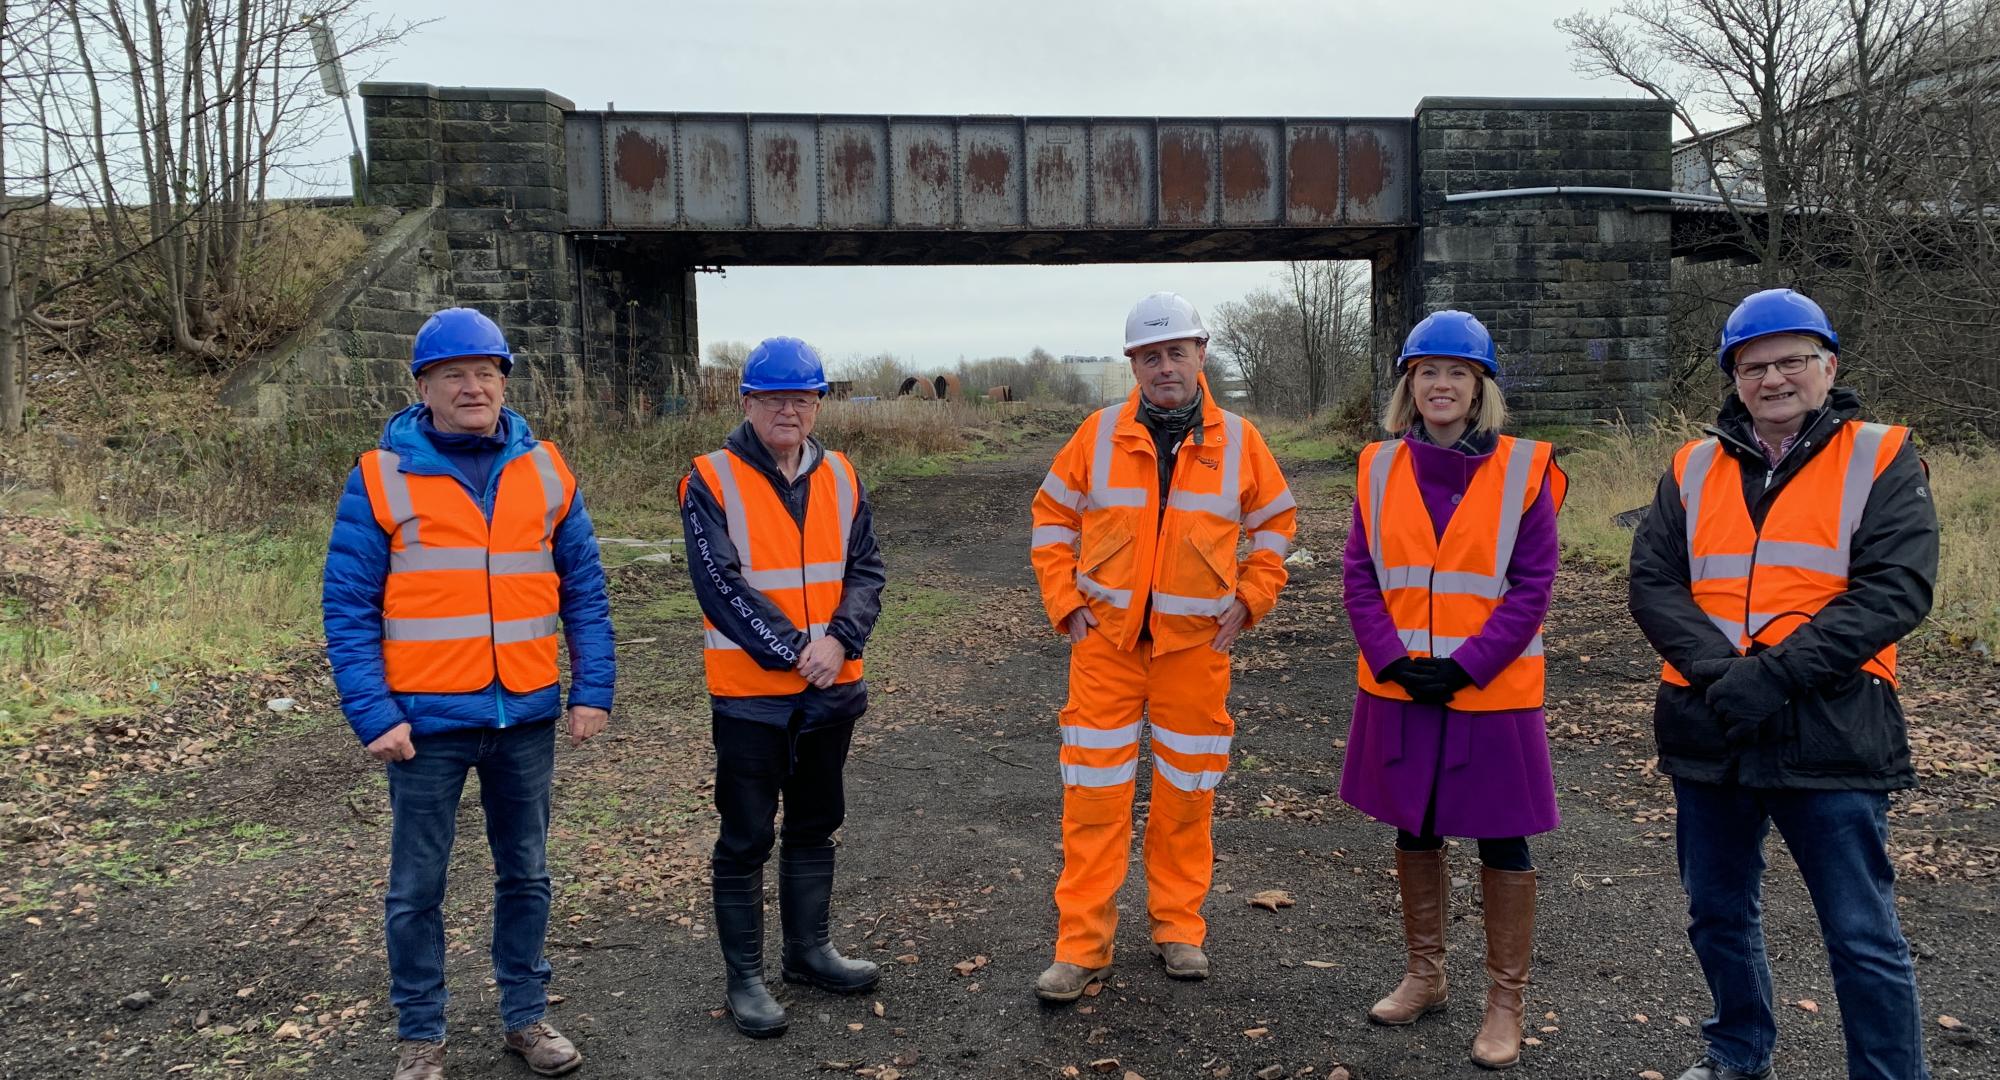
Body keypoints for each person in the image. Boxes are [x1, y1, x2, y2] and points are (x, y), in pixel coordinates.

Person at [1629, 289, 1938, 1080]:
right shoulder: (1692, 466)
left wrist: (1771, 677)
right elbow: (1655, 583)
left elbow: (1895, 590)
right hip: (1712, 727)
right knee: (1717, 915)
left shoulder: (1880, 454)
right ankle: (1738, 1052)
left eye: (1792, 360)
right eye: (1754, 365)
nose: (1773, 378)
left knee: (1861, 934)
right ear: (1734, 378)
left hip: (1831, 727)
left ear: (1827, 366)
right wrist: (1724, 677)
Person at [323, 307, 614, 1080]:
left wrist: (593, 690)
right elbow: (348, 605)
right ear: (423, 387)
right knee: (416, 887)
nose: (473, 387)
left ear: (504, 382)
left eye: (486, 372)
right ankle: (422, 1037)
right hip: (423, 726)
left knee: (527, 873)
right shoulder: (380, 476)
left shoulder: (546, 469)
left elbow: (584, 588)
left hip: (524, 713)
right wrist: (372, 713)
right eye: (454, 374)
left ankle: (525, 1017)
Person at [1028, 292, 1296, 1002]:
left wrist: (1252, 598)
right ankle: (1081, 947)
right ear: (1133, 366)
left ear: (1200, 354)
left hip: (1194, 652)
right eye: (1151, 356)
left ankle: (1179, 929)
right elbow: (1051, 518)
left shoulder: (1240, 441)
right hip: (1105, 651)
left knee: (1187, 797)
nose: (1165, 367)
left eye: (1177, 352)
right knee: (1093, 800)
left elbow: (1276, 525)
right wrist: (1065, 603)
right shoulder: (1097, 434)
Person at [1338, 310, 1564, 1070]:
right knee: (1415, 825)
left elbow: (1532, 586)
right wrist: (1393, 658)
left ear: (1480, 388)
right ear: (1410, 384)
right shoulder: (1377, 466)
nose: (1441, 385)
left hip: (1489, 691)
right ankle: (1425, 975)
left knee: (1501, 834)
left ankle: (1506, 1001)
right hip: (1401, 686)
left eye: (1457, 373)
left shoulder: (1526, 470)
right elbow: (1359, 573)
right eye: (1427, 372)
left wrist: (1467, 665)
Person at [678, 337, 887, 1039]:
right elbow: (720, 587)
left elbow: (867, 572)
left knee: (814, 824)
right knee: (744, 836)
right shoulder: (709, 478)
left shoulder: (844, 476)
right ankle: (746, 978)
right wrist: (800, 651)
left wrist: (840, 642)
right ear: (748, 402)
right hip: (751, 696)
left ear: (819, 403)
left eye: (802, 398)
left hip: (833, 690)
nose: (788, 411)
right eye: (773, 399)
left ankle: (809, 952)